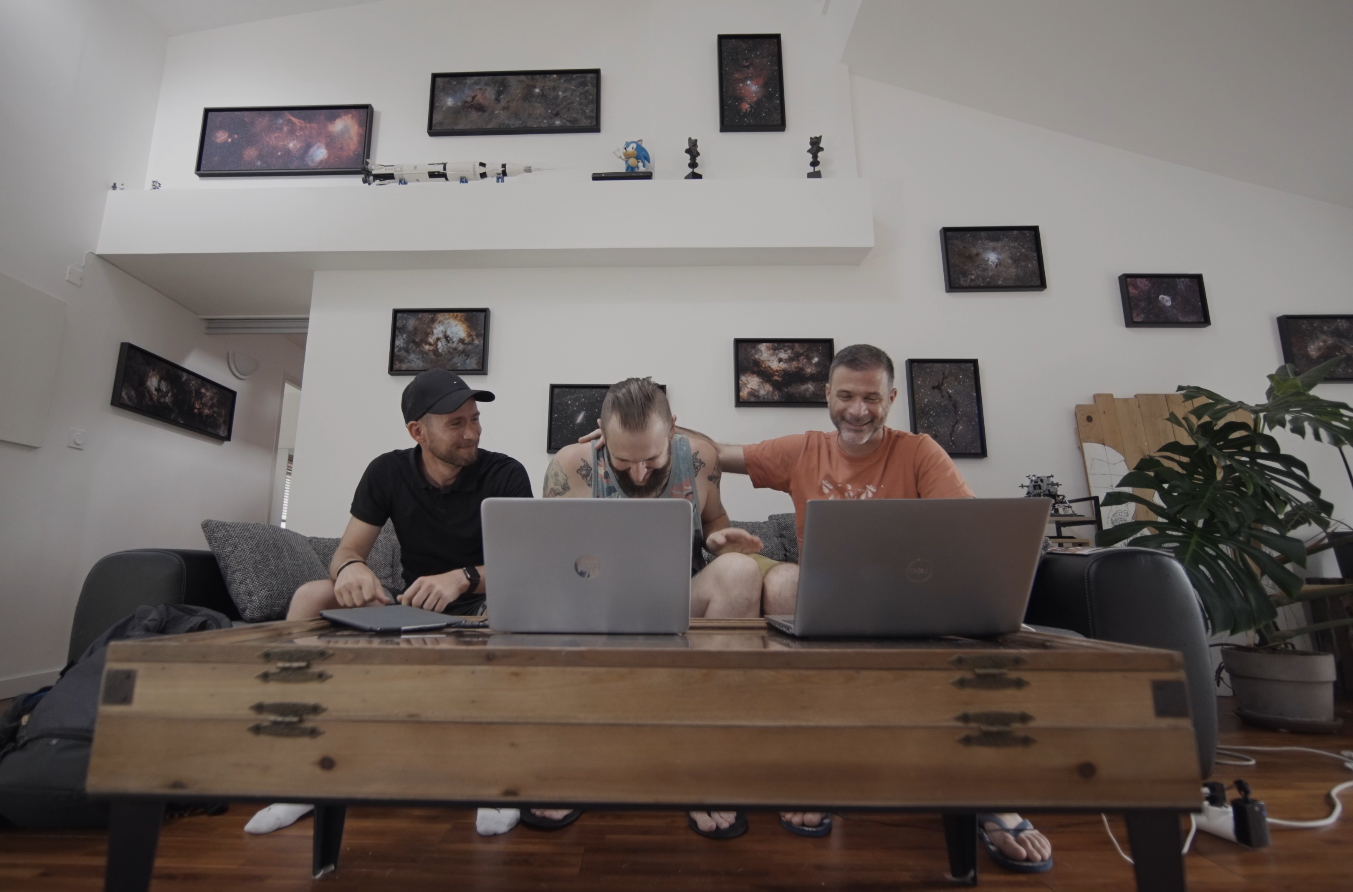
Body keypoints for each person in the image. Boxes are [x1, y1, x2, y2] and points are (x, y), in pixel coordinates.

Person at [709, 343, 1053, 871]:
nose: (857, 410)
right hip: (825, 606)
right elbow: (719, 454)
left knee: (983, 640)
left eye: (872, 398)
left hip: (910, 605)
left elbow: (970, 534)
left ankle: (989, 792)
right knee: (786, 583)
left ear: (892, 398)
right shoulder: (804, 449)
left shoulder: (919, 452)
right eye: (845, 395)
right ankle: (812, 772)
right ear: (827, 394)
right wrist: (658, 432)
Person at [544, 377, 765, 840]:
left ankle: (704, 768)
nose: (640, 473)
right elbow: (554, 568)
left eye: (653, 459)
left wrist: (722, 541)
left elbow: (714, 522)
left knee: (742, 572)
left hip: (681, 602)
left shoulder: (700, 458)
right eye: (624, 461)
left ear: (674, 433)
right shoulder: (571, 465)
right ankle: (565, 766)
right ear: (601, 432)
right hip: (599, 609)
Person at [286, 369, 531, 621]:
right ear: (417, 432)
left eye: (474, 419)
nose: (471, 433)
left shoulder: (506, 473)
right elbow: (348, 551)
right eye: (456, 423)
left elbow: (523, 566)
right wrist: (350, 567)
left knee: (518, 606)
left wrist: (462, 578)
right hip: (411, 603)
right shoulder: (387, 471)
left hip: (485, 603)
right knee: (311, 595)